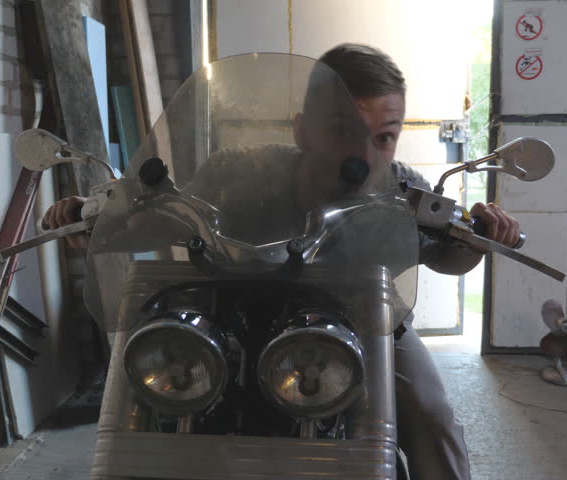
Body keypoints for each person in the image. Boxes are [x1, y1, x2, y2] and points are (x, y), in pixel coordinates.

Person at [46, 44, 519, 480]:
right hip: (234, 312)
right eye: (343, 132)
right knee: (152, 395)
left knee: (433, 417)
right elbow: (166, 218)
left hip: (370, 324)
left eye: (384, 137)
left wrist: (477, 239)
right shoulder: (239, 173)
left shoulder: (401, 191)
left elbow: (447, 257)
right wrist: (96, 230)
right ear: (301, 129)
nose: (365, 155)